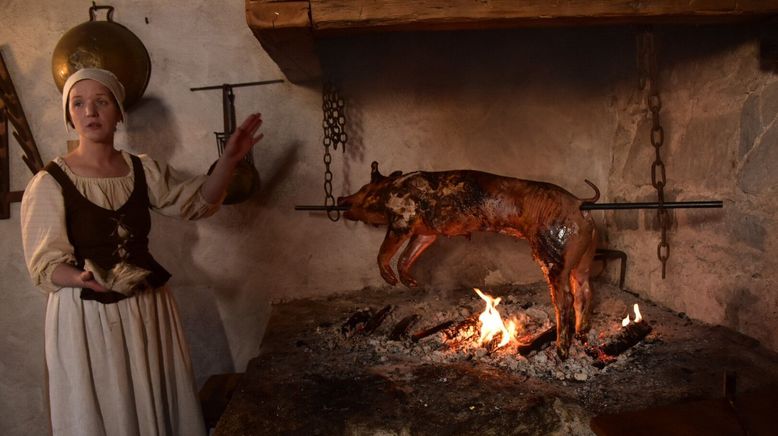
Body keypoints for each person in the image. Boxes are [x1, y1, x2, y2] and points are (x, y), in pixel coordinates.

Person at [20, 68, 263, 436]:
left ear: (118, 112)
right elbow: (44, 265)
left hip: (146, 307)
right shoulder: (50, 182)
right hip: (88, 315)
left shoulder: (141, 169)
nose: (91, 111)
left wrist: (229, 160)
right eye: (79, 103)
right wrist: (79, 277)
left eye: (101, 102)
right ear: (69, 114)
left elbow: (195, 203)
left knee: (152, 404)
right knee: (106, 404)